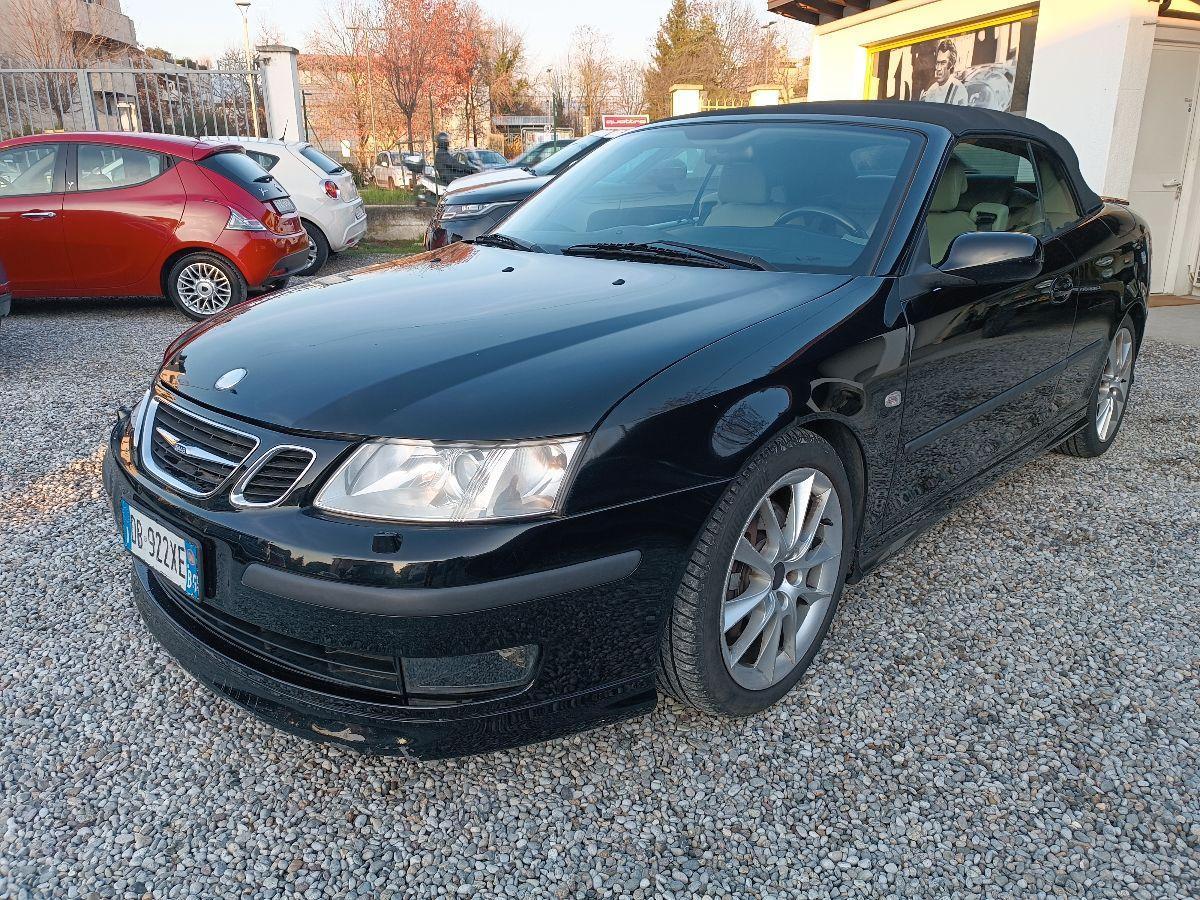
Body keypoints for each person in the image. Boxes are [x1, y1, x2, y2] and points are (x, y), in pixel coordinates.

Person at [920, 40, 968, 106]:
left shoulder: (958, 90)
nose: (938, 68)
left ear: (951, 64)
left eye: (943, 63)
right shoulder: (932, 89)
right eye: (937, 63)